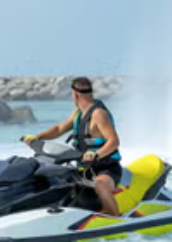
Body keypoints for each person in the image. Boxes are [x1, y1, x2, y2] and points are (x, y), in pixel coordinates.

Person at [22, 77, 122, 216]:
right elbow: (58, 129)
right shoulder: (78, 113)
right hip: (84, 168)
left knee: (100, 185)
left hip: (105, 169)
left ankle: (115, 218)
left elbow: (114, 141)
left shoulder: (99, 114)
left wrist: (96, 154)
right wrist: (37, 137)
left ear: (75, 95)